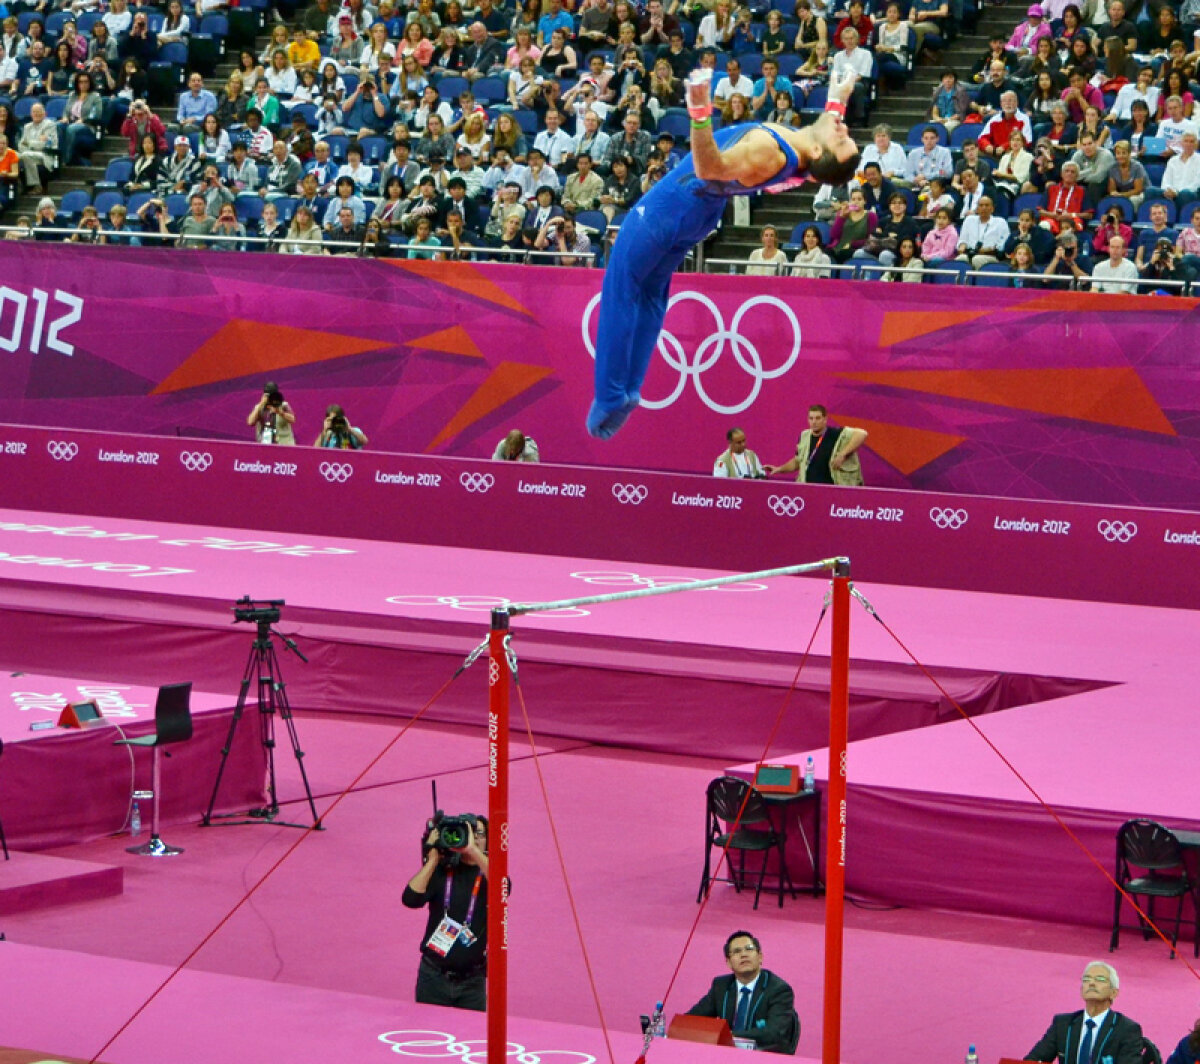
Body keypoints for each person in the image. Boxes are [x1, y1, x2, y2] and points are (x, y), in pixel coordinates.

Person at [587, 68, 860, 439]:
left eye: (843, 138)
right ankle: (629, 391)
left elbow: (708, 167)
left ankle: (608, 398)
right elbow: (828, 137)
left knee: (620, 289)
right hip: (699, 214)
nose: (844, 127)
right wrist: (838, 98)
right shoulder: (806, 156)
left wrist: (700, 113)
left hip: (672, 207)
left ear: (818, 151)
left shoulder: (768, 152)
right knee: (650, 296)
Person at [402, 813, 490, 1011]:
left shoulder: (488, 875)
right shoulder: (443, 871)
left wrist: (472, 850)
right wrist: (432, 860)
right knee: (429, 1027)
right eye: (469, 832)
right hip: (434, 975)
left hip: (472, 981)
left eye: (479, 834)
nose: (474, 838)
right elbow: (410, 899)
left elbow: (503, 885)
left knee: (472, 1030)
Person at [685, 931, 798, 1054]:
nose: (744, 954)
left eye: (749, 949)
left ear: (760, 957)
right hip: (724, 1056)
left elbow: (774, 1033)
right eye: (737, 951)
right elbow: (691, 1021)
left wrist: (729, 1036)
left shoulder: (779, 990)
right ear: (729, 963)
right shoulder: (721, 986)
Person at [1026, 961, 1143, 1064]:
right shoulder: (1063, 1024)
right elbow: (1033, 1060)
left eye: (1100, 979)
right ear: (1081, 990)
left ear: (1114, 993)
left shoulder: (1127, 1029)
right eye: (1086, 979)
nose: (1091, 983)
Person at [766, 405, 868, 486]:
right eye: (811, 418)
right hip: (809, 489)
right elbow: (797, 461)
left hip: (833, 489)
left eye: (818, 418)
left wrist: (843, 454)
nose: (814, 422)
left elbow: (862, 434)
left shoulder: (836, 433)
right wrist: (779, 469)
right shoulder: (804, 435)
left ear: (825, 419)